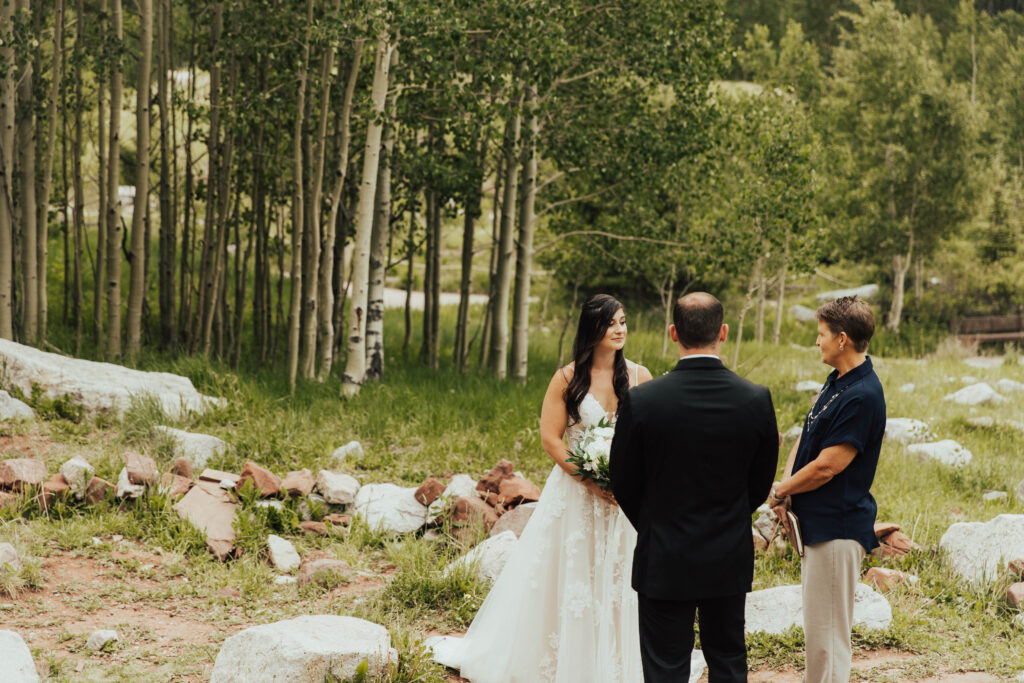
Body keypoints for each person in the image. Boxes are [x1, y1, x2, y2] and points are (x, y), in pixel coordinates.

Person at [429, 293, 653, 682]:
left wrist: (629, 479)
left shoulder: (639, 376)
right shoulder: (567, 378)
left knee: (620, 575)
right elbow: (551, 439)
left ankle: (617, 659)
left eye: (623, 322)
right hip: (577, 493)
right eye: (612, 323)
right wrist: (592, 480)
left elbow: (650, 436)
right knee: (569, 573)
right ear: (593, 329)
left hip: (625, 499)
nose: (620, 330)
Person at [609, 292, 779, 683]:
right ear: (723, 332)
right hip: (727, 552)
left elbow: (624, 479)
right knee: (728, 659)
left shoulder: (643, 400)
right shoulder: (755, 398)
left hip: (664, 553)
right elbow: (759, 482)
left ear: (673, 333)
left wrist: (655, 522)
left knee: (665, 667)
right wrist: (731, 515)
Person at [769, 296, 885, 683]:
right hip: (817, 523)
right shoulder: (838, 381)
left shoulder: (863, 394)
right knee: (819, 633)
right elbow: (807, 438)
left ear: (842, 339)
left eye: (820, 335)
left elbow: (828, 465)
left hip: (837, 528)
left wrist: (783, 487)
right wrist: (786, 493)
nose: (816, 342)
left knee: (829, 639)